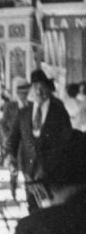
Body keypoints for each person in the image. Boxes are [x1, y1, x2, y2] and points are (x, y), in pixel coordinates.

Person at [6, 69, 72, 213]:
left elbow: (67, 140)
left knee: (50, 208)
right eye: (36, 88)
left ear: (49, 89)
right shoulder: (24, 113)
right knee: (33, 206)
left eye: (42, 87)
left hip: (52, 170)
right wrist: (11, 157)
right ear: (32, 90)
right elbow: (13, 138)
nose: (39, 91)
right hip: (29, 170)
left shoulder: (59, 112)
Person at [0, 77, 32, 201]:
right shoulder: (10, 106)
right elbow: (3, 123)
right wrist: (8, 137)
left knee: (28, 171)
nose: (24, 95)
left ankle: (29, 194)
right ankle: (13, 189)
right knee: (14, 169)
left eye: (26, 93)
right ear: (17, 93)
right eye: (22, 93)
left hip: (27, 144)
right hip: (14, 144)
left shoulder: (32, 106)